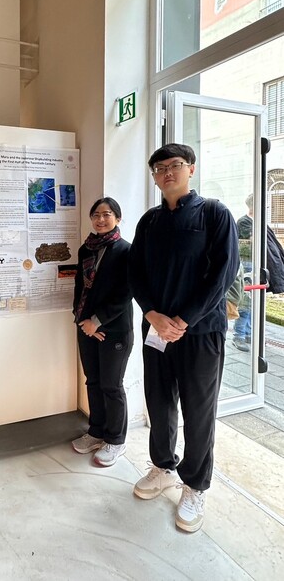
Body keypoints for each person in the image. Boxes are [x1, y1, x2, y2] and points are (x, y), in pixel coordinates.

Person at [128, 143, 239, 533]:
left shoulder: (214, 214)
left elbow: (222, 275)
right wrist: (152, 314)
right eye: (159, 167)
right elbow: (135, 273)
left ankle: (195, 485)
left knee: (198, 411)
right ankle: (162, 467)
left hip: (201, 333)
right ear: (154, 177)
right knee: (158, 403)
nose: (167, 172)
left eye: (175, 165)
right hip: (157, 331)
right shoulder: (149, 222)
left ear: (191, 169)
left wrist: (184, 319)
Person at [71, 196, 133, 466]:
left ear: (117, 218)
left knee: (111, 385)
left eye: (107, 214)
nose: (100, 219)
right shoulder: (86, 249)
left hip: (114, 330)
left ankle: (116, 440)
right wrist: (83, 321)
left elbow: (125, 293)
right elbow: (80, 290)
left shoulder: (126, 250)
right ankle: (96, 431)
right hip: (87, 327)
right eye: (96, 214)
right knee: (93, 382)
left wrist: (98, 321)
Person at [233, 193, 284, 352]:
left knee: (255, 304)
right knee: (246, 304)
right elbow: (249, 243)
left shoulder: (260, 222)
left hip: (259, 266)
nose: (267, 207)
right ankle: (239, 335)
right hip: (248, 265)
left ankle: (249, 333)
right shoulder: (244, 222)